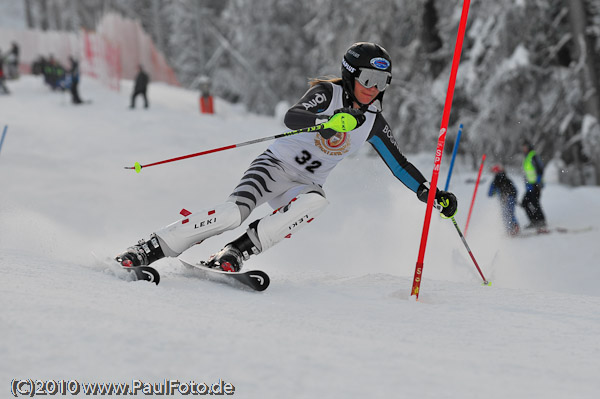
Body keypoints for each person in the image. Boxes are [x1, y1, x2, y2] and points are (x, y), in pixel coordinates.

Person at [115, 42, 458, 273]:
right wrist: (326, 122)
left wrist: (428, 193)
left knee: (317, 203)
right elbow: (293, 117)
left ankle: (235, 251)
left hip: (304, 184)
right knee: (232, 212)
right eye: (368, 78)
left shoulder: (373, 122)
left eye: (383, 81)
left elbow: (398, 164)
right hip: (273, 167)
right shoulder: (328, 92)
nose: (374, 88)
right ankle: (151, 247)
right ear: (351, 75)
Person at [520, 139, 547, 229]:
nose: (524, 149)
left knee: (534, 203)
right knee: (525, 203)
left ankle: (541, 221)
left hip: (536, 185)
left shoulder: (533, 156)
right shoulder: (526, 157)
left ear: (529, 147)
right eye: (523, 147)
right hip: (529, 186)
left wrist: (537, 183)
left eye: (525, 147)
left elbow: (540, 170)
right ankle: (534, 221)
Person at [488, 165, 519, 235]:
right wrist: (514, 197)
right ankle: (514, 227)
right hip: (511, 198)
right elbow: (515, 190)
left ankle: (510, 229)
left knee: (506, 215)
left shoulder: (495, 181)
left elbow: (490, 193)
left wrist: (494, 192)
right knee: (510, 214)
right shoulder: (507, 179)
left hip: (504, 199)